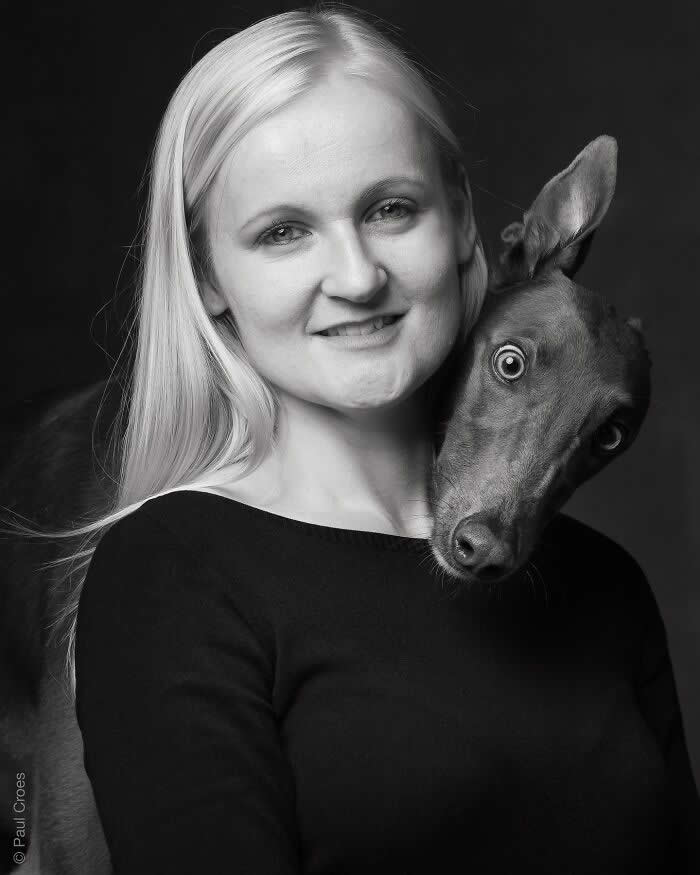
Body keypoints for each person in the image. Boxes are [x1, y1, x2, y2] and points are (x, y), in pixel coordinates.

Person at [71, 3, 700, 873]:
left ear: (461, 222)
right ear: (210, 278)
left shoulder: (608, 591)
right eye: (284, 231)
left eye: (392, 209)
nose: (358, 277)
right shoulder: (174, 572)